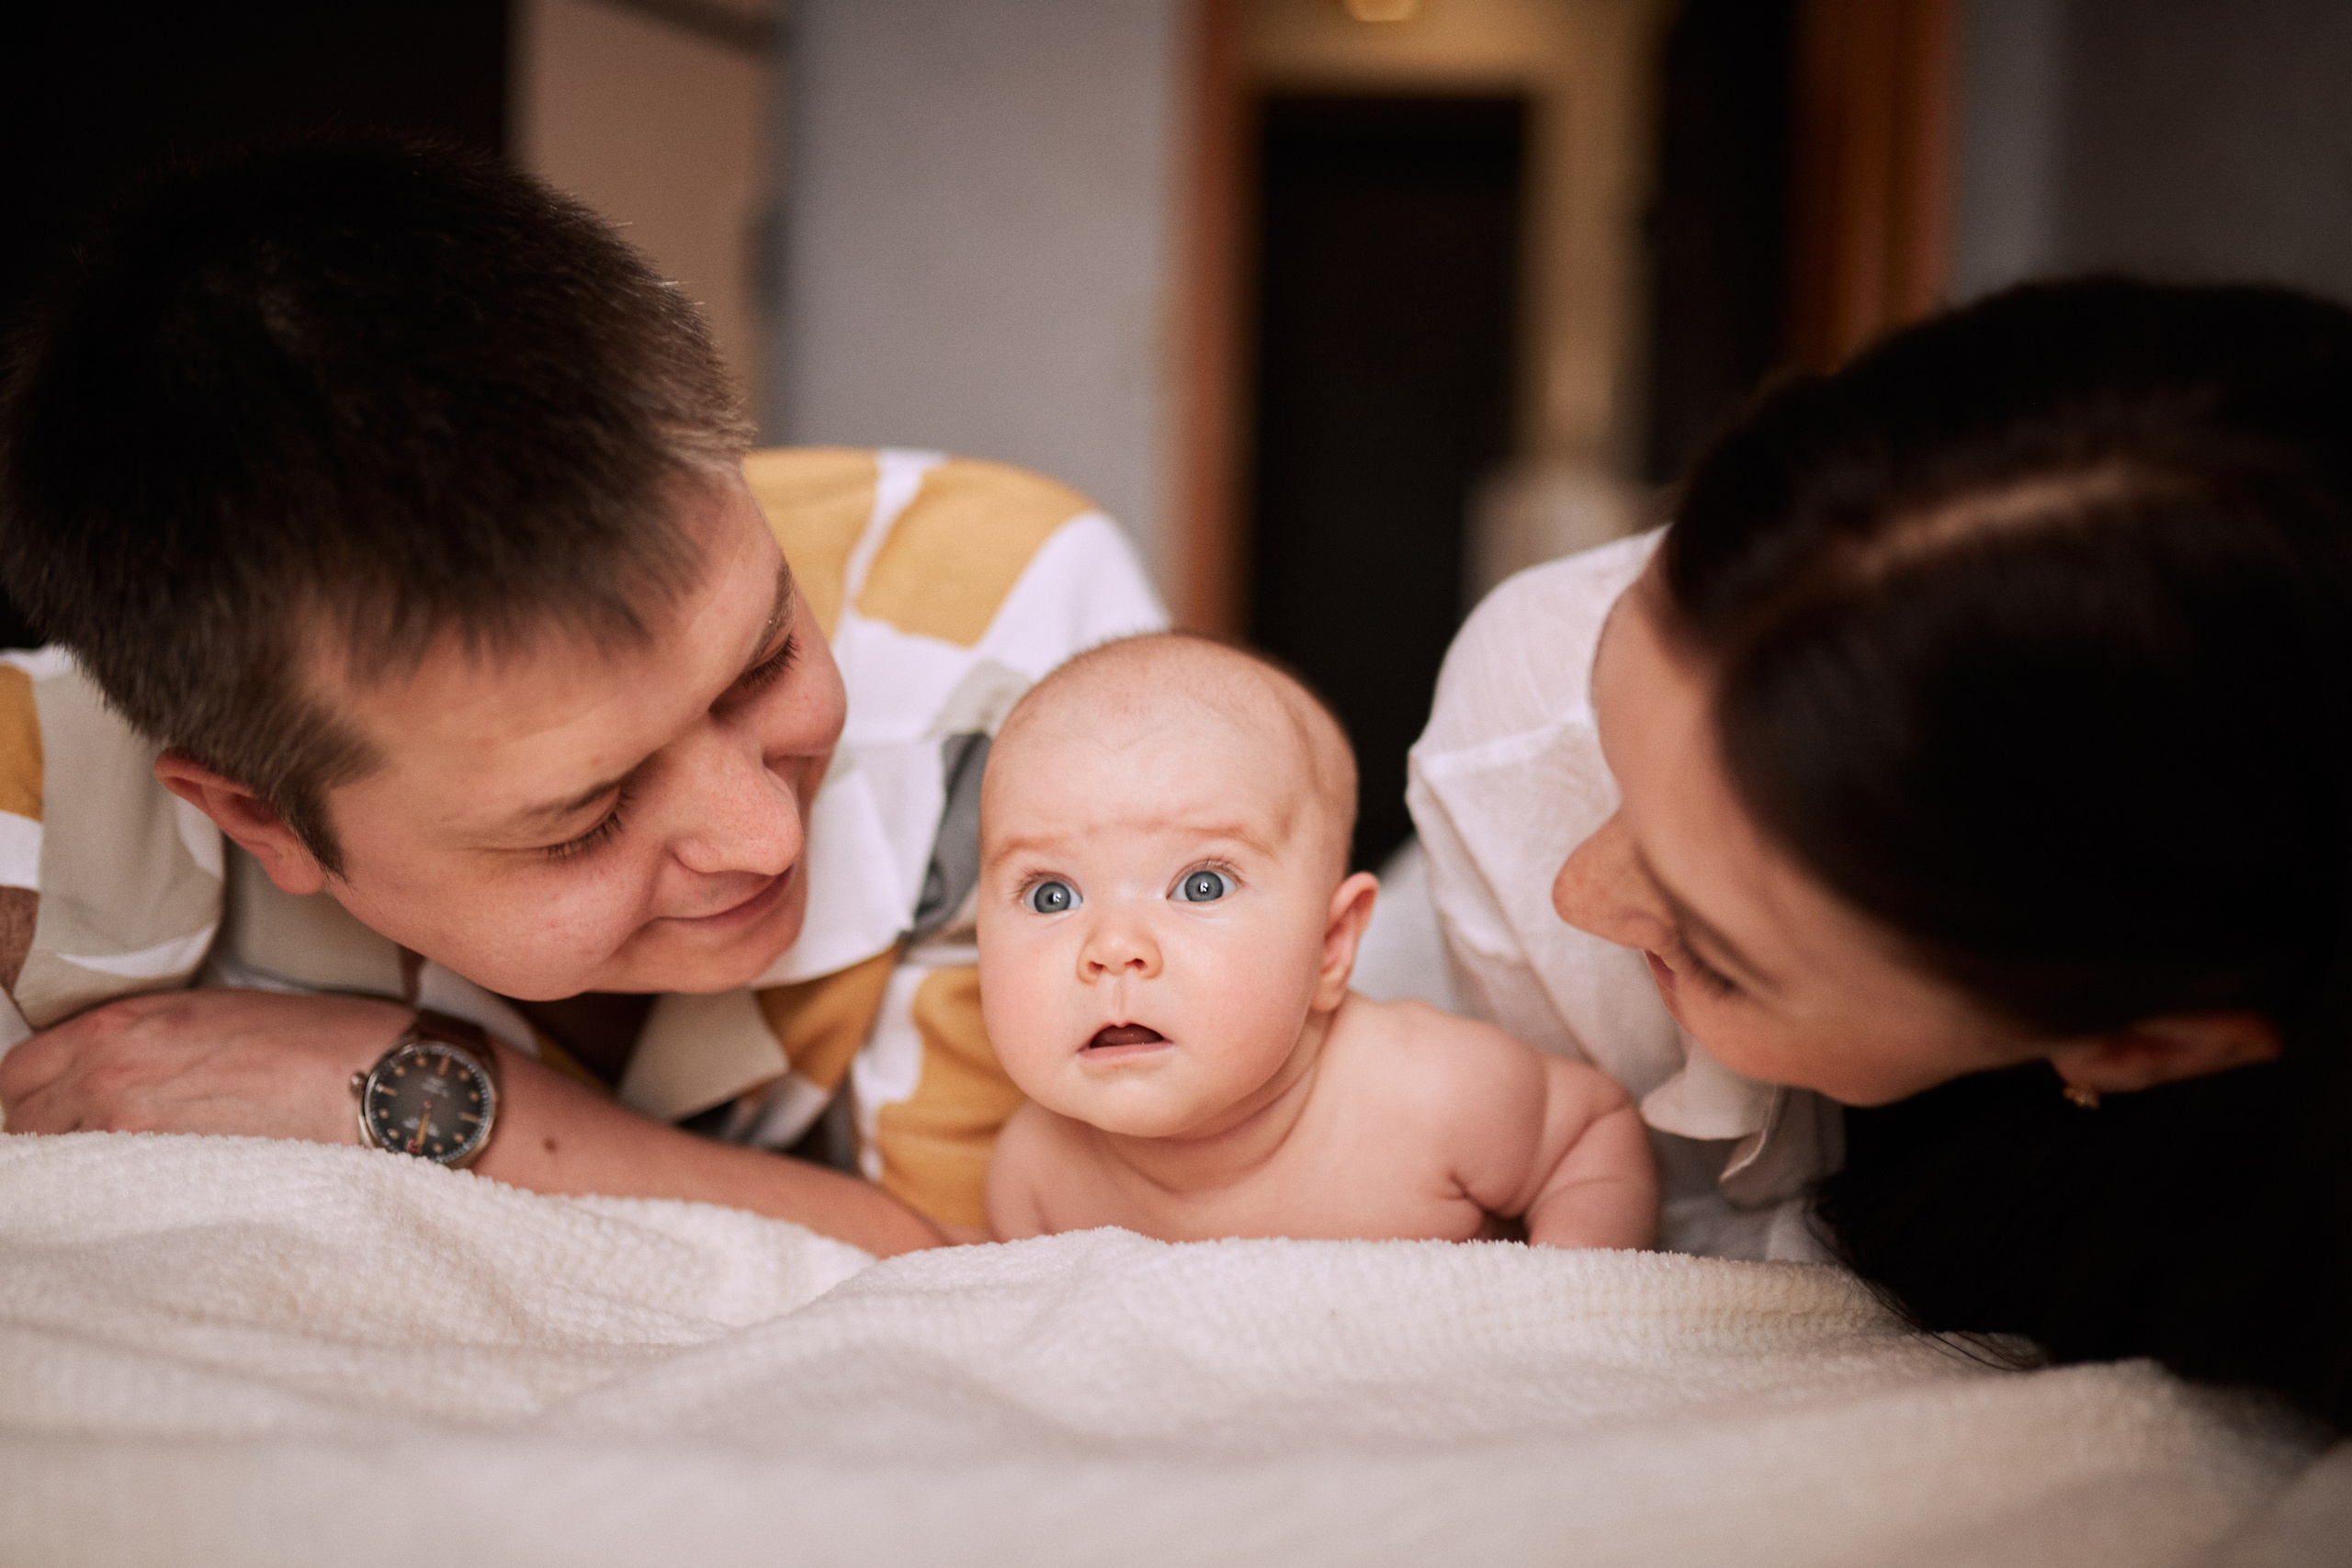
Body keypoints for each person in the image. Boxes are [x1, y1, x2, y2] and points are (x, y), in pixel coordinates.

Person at [0, 137, 1164, 1252]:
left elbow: (1016, 1270)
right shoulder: (31, 833)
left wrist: (444, 1101)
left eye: (763, 663)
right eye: (584, 819)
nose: (764, 838)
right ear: (258, 814)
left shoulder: (1008, 624)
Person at [1410, 277, 2352, 1427]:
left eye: (1719, 954)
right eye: (1615, 755)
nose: (1579, 893)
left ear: (2141, 1045)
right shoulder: (1523, 729)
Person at [979, 634, 1657, 1248]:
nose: (1114, 947)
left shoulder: (1430, 1093)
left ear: (1332, 944)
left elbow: (1590, 1135)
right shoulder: (1034, 1174)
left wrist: (1563, 1307)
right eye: (1051, 895)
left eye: (1202, 886)